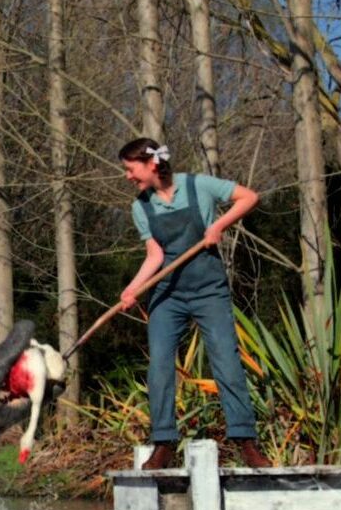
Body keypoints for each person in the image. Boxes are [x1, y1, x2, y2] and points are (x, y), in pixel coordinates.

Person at [115, 137, 269, 470]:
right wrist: (133, 289)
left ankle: (246, 441)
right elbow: (155, 256)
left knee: (226, 360)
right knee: (159, 366)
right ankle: (164, 443)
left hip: (209, 291)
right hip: (167, 296)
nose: (128, 177)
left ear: (151, 164)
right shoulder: (140, 207)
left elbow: (249, 197)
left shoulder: (199, 185)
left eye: (130, 169)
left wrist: (218, 225)